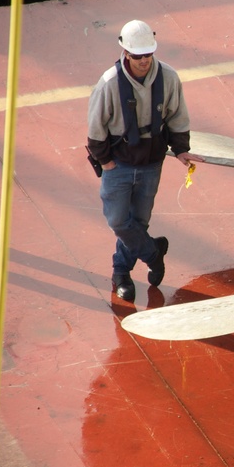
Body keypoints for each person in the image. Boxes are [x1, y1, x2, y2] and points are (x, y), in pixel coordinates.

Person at [87, 19, 203, 302]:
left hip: (151, 163)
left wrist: (181, 149)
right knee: (118, 220)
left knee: (139, 220)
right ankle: (153, 252)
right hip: (119, 164)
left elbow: (177, 116)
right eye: (137, 55)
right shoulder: (109, 84)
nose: (143, 61)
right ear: (125, 52)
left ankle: (121, 273)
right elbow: (96, 128)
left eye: (147, 55)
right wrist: (106, 162)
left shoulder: (169, 78)